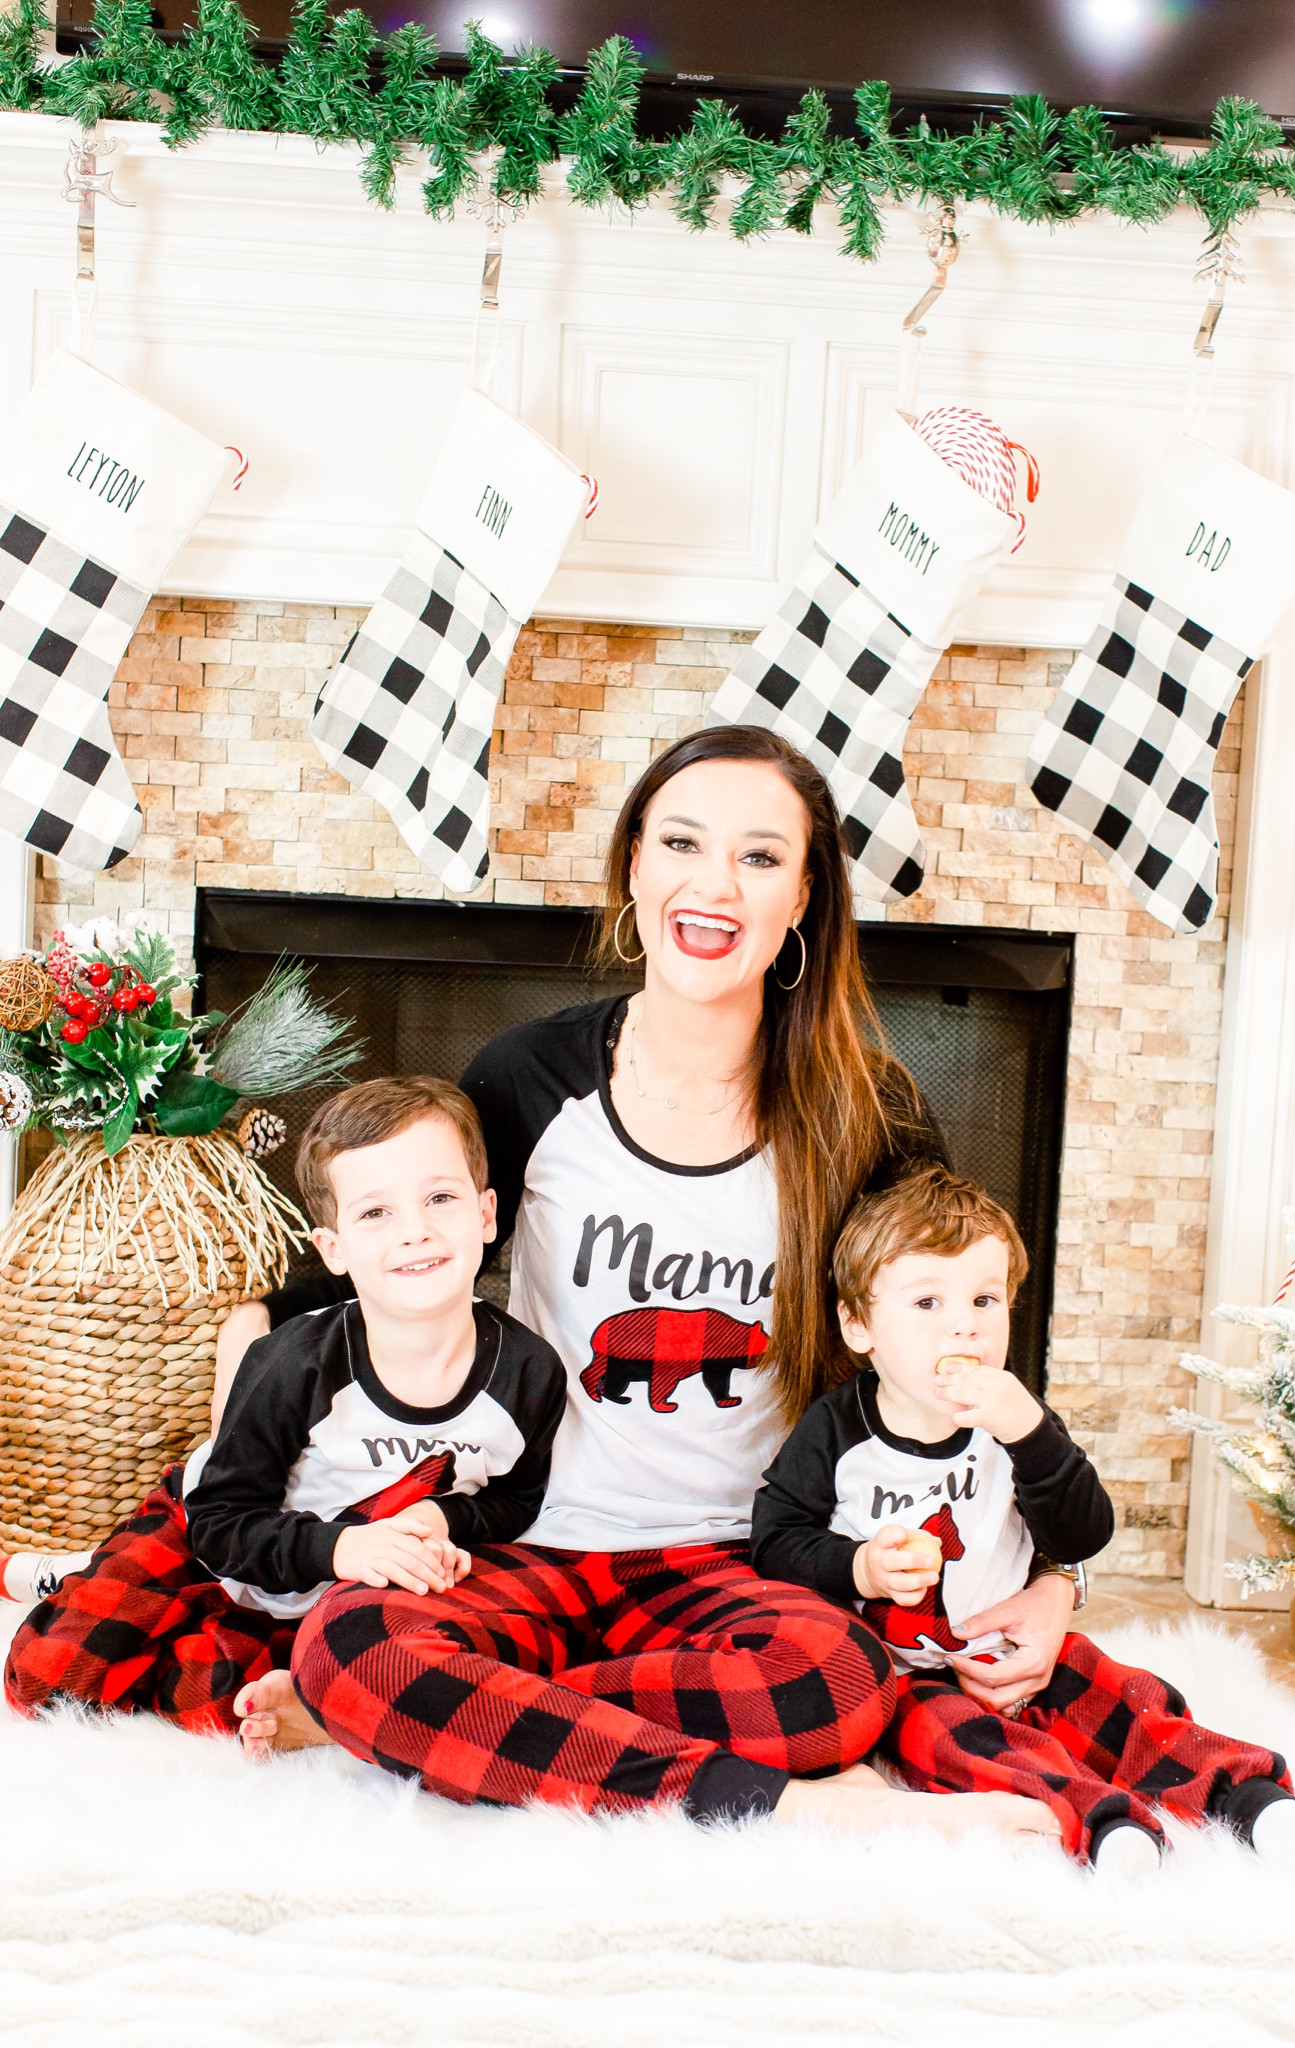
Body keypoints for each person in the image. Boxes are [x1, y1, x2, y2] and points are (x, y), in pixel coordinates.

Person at [226, 727, 1073, 1835]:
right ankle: (787, 1811)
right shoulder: (531, 1076)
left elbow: (956, 1348)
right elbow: (374, 1273)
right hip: (519, 1538)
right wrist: (248, 1348)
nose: (713, 883)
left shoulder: (866, 1116)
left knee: (844, 1684)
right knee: (355, 1641)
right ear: (635, 864)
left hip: (734, 1557)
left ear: (805, 896)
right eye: (681, 841)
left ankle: (421, 1724)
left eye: (761, 857)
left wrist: (1054, 1580)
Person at [750, 1166, 1295, 1871]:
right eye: (927, 1302)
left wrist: (1033, 1435)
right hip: (907, 1673)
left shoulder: (1016, 1421)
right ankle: (1103, 1826)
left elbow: (1083, 1534)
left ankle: (1250, 1799)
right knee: (972, 1748)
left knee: (1125, 1694)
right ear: (858, 1325)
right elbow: (773, 1540)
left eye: (985, 1299)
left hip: (1019, 1647)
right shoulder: (838, 1430)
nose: (964, 1324)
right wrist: (858, 1564)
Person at [4, 1076, 566, 1736]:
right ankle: (81, 1576)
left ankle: (176, 1620)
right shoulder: (296, 1362)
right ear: (333, 1249)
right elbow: (219, 1519)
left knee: (248, 1698)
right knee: (52, 1679)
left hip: (322, 1590)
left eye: (440, 1198)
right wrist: (342, 1548)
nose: (414, 1232)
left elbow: (517, 1500)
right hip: (211, 1529)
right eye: (375, 1213)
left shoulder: (528, 1373)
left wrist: (445, 1520)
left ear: (485, 1215)